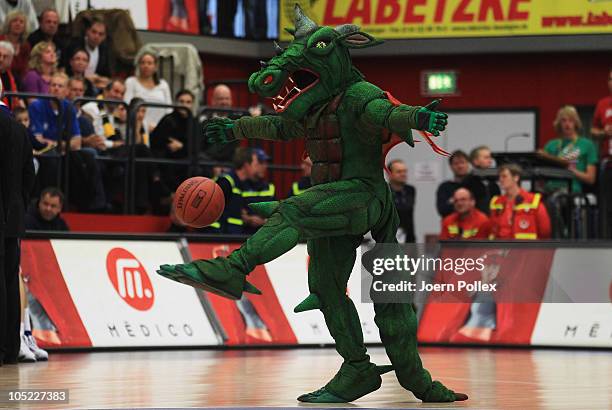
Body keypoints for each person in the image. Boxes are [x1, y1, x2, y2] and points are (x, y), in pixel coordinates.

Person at [159, 6, 466, 403]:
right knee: (324, 286)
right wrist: (236, 128)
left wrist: (417, 116)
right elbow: (281, 126)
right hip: (334, 199)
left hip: (364, 196)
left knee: (294, 209)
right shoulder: (315, 105)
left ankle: (232, 269)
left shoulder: (360, 95)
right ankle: (358, 368)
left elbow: (385, 113)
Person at [0, 90, 35, 367]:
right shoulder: (20, 130)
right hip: (12, 218)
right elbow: (29, 179)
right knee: (10, 281)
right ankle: (11, 348)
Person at [543, 105, 597, 194]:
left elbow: (591, 179)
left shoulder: (587, 145)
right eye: (564, 120)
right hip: (550, 189)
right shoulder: (550, 145)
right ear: (559, 124)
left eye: (571, 120)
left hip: (571, 191)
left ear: (576, 123)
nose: (567, 124)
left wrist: (572, 170)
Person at [489, 164, 551, 240]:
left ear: (516, 178)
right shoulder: (496, 202)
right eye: (499, 177)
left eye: (504, 176)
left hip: (526, 249)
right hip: (501, 248)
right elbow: (492, 230)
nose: (500, 180)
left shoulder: (532, 200)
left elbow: (545, 231)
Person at [209, 147, 260, 234]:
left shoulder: (242, 184)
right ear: (246, 165)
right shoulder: (226, 182)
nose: (259, 168)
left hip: (233, 235)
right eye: (256, 164)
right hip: (218, 236)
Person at [150, 89, 194, 189]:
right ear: (176, 103)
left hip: (186, 160)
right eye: (181, 101)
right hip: (167, 158)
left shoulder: (194, 123)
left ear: (192, 104)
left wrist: (182, 146)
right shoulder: (167, 119)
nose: (184, 105)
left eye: (188, 102)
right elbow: (156, 141)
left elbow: (197, 146)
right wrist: (168, 144)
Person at [124, 52, 172, 126]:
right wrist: (144, 126)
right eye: (143, 63)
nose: (146, 66)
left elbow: (169, 109)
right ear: (138, 66)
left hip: (161, 128)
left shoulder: (163, 84)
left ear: (155, 67)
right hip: (138, 127)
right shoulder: (131, 81)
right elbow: (127, 105)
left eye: (149, 63)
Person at [63, 17, 112, 89]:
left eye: (100, 34)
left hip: (95, 87)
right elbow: (65, 70)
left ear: (104, 37)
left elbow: (107, 75)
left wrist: (100, 79)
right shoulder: (74, 45)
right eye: (94, 32)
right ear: (87, 31)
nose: (96, 36)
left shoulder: (104, 50)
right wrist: (86, 78)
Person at [242, 148, 275, 235]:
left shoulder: (270, 188)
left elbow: (277, 214)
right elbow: (234, 213)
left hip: (265, 237)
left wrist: (264, 221)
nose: (265, 166)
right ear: (248, 164)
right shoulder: (240, 185)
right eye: (260, 163)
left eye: (265, 163)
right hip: (242, 235)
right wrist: (248, 219)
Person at [387, 159, 416, 243]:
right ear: (389, 173)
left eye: (405, 171)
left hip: (409, 238)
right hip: (389, 238)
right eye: (399, 172)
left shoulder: (410, 190)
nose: (403, 174)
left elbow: (407, 209)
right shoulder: (384, 191)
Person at [466, 145, 500, 214]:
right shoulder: (468, 182)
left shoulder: (493, 184)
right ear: (476, 161)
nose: (490, 161)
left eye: (490, 158)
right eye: (486, 158)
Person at [436, 150, 470, 217]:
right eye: (456, 163)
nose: (460, 166)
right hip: (450, 224)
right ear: (451, 166)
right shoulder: (444, 187)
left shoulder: (476, 185)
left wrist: (453, 201)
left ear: (468, 164)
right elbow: (442, 210)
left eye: (462, 162)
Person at [0, 10, 32, 81]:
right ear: (8, 24)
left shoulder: (25, 46)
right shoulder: (0, 40)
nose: (18, 24)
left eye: (21, 22)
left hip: (18, 81)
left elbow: (25, 68)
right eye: (14, 21)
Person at [590, 68, 612, 157]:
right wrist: (603, 132)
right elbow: (593, 130)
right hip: (608, 160)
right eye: (610, 79)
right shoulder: (602, 104)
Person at [0, 41, 20, 110]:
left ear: (11, 59)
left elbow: (18, 100)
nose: (1, 59)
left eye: (5, 57)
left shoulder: (14, 76)